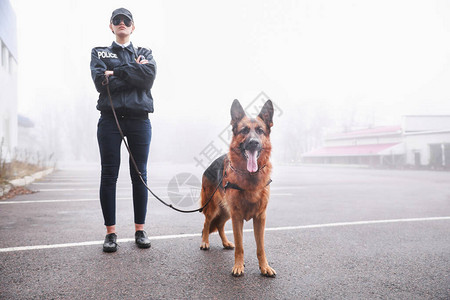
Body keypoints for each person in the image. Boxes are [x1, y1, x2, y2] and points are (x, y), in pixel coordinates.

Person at [90, 8, 156, 252]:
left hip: (140, 119)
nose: (121, 23)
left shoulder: (144, 52)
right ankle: (111, 234)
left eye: (126, 20)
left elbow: (148, 78)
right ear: (111, 26)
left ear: (132, 26)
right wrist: (133, 72)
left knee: (139, 175)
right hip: (110, 119)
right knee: (109, 175)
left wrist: (115, 71)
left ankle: (140, 230)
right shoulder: (99, 52)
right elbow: (100, 82)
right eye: (116, 21)